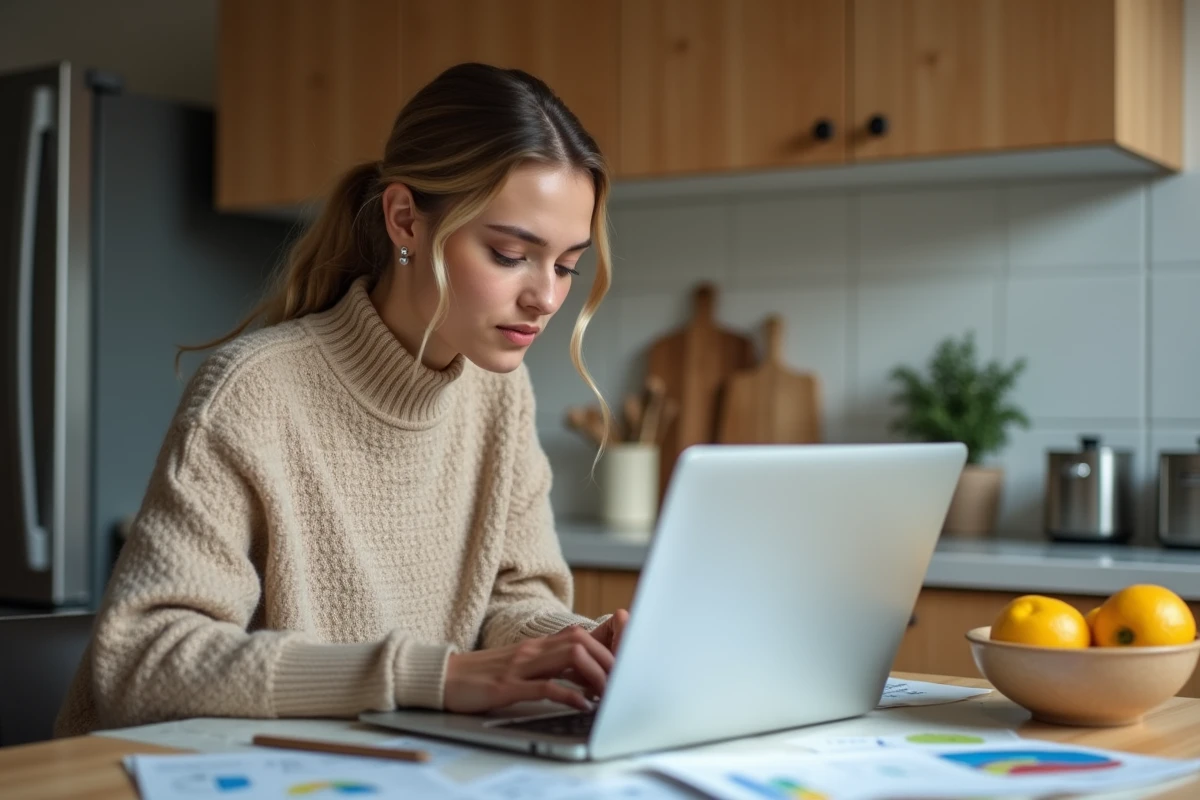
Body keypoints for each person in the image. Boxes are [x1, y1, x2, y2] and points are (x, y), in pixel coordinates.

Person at [55, 62, 629, 737]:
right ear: (405, 220)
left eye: (567, 265)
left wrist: (579, 648)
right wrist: (431, 679)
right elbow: (141, 664)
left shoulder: (501, 392)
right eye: (509, 254)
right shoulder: (253, 392)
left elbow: (516, 596)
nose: (547, 298)